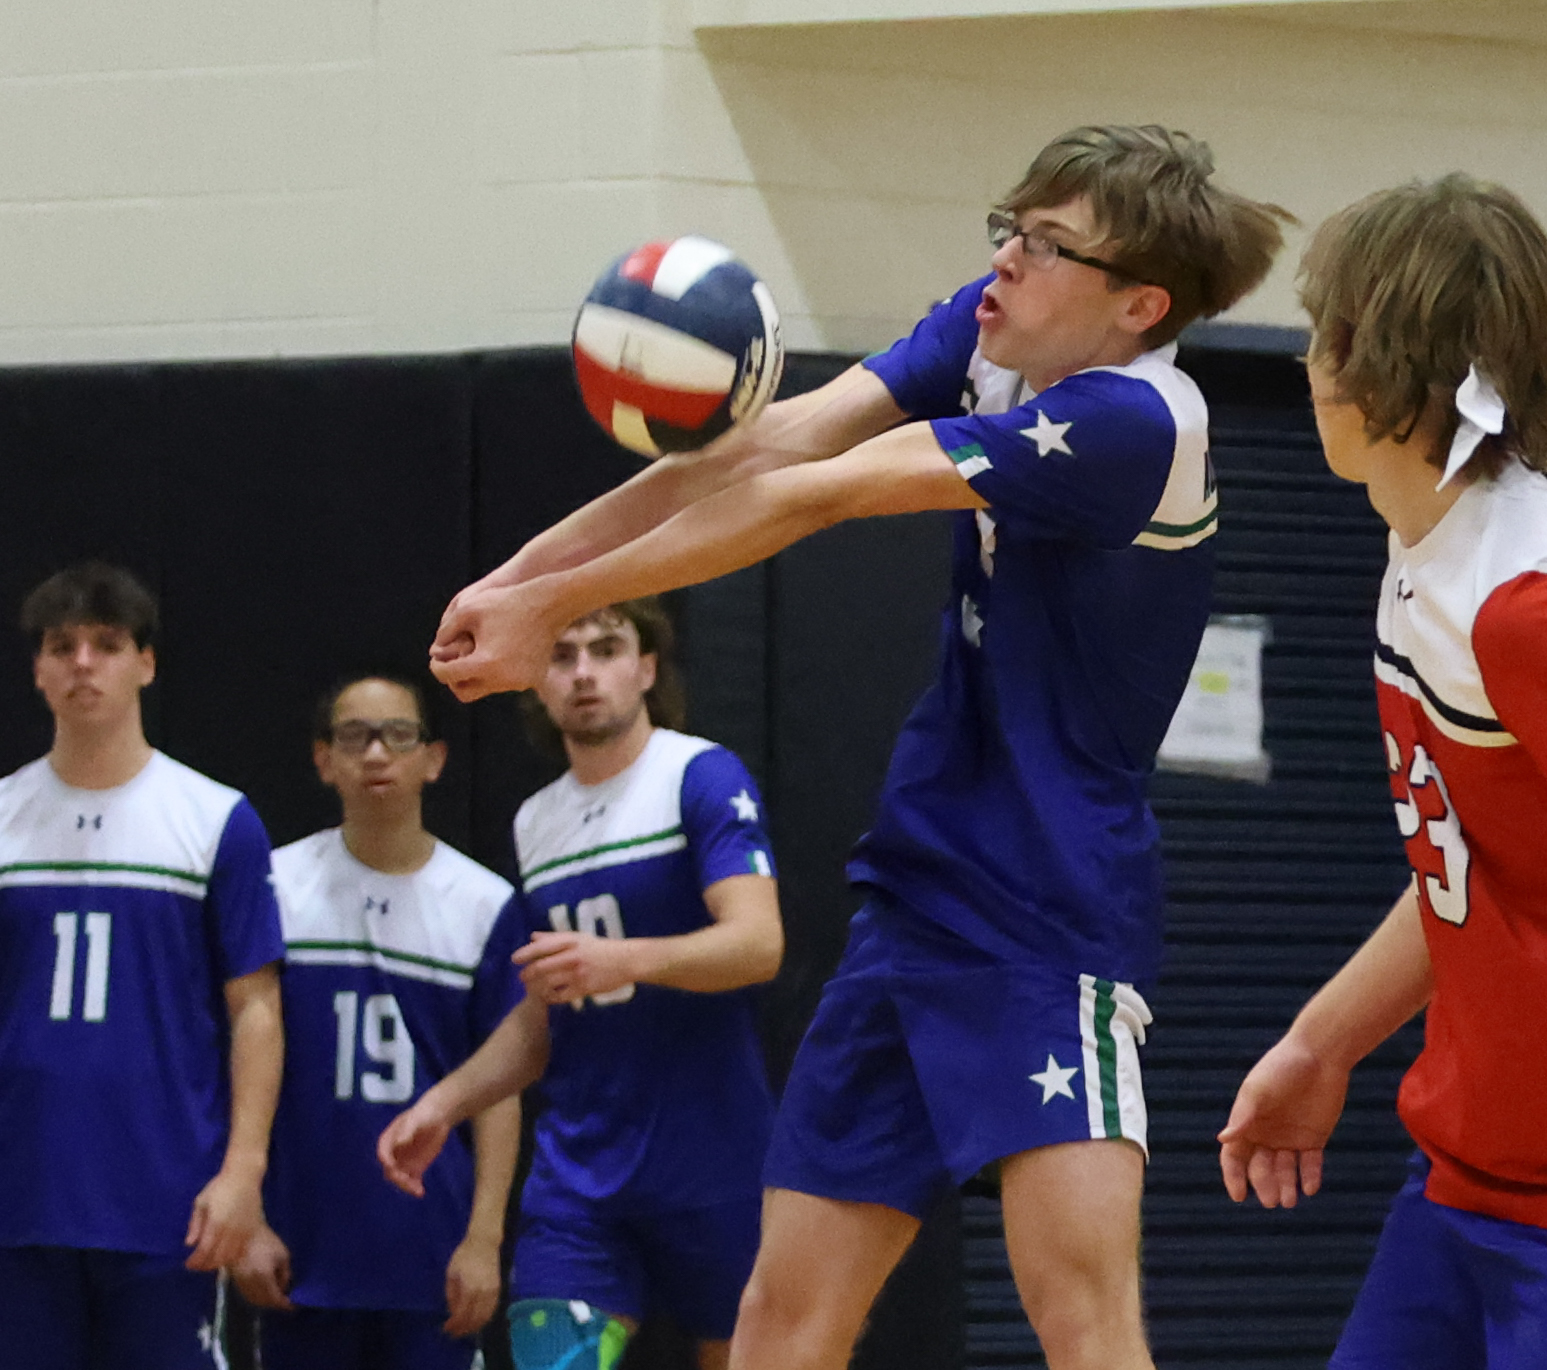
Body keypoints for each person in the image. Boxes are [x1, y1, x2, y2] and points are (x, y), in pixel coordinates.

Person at [422, 126, 1292, 1370]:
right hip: (917, 889)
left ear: (1136, 303)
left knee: (1080, 1317)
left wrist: (552, 610)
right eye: (1010, 222)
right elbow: (766, 445)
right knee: (782, 1319)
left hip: (1049, 913)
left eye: (1048, 245)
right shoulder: (994, 332)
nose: (1006, 257)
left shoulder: (1137, 422)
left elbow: (806, 496)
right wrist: (515, 577)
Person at [1216, 175, 1547, 1370]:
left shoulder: (1529, 607)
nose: (1304, 361)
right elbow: (1482, 867)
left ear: (1389, 364)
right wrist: (1321, 1040)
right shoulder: (1422, 551)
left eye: (1324, 332)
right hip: (1460, 1188)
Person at [380, 599, 783, 1370]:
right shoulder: (538, 823)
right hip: (582, 1177)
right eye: (562, 656)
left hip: (712, 1163)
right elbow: (542, 1013)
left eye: (606, 649)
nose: (586, 672)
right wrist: (443, 1104)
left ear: (647, 668)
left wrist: (627, 960)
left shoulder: (697, 774)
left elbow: (759, 943)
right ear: (535, 681)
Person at [0, 562, 284, 1368]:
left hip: (167, 1198)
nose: (84, 663)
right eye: (63, 646)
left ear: (145, 664)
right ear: (38, 670)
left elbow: (255, 1009)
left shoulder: (214, 820)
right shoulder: (4, 819)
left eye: (107, 643)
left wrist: (243, 1171)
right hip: (20, 1196)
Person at [231, 673, 522, 1368]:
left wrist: (484, 1237)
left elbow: (500, 1084)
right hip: (301, 1254)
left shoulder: (485, 904)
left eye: (398, 735)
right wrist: (250, 1219)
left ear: (435, 758)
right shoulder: (274, 887)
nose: (376, 755)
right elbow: (236, 1065)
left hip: (432, 1256)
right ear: (323, 759)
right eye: (354, 736)